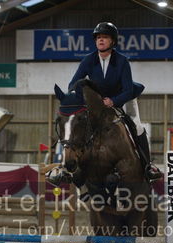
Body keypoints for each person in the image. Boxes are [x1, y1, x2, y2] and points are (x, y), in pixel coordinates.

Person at [68, 21, 162, 182]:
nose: (100, 40)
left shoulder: (122, 61)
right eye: (98, 37)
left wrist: (114, 101)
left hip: (123, 97)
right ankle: (68, 167)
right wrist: (85, 96)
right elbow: (72, 85)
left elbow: (127, 90)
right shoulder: (88, 60)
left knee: (137, 126)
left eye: (105, 37)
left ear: (113, 41)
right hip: (99, 101)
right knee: (76, 122)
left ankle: (147, 166)